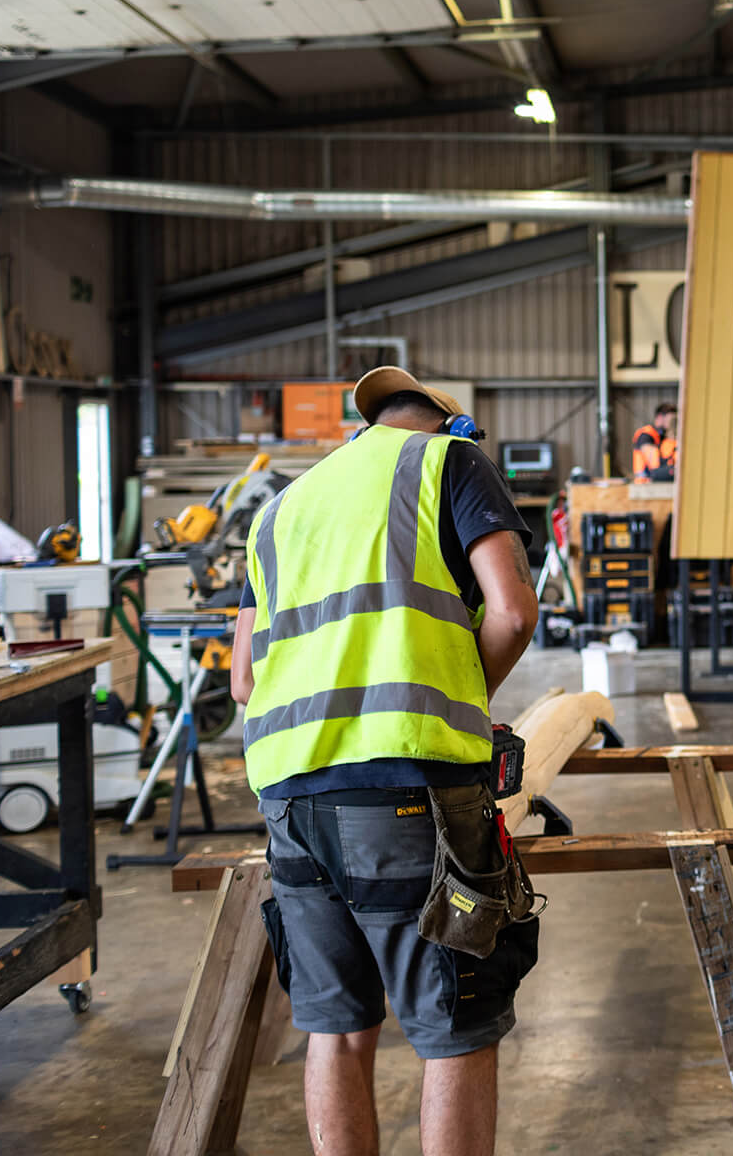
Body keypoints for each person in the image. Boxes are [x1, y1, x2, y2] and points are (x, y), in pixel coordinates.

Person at [229, 367, 540, 1156]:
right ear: (449, 424)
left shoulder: (281, 508)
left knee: (336, 1027)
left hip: (290, 800)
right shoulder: (449, 463)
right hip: (406, 790)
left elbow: (244, 681)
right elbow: (512, 612)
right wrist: (460, 699)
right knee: (454, 1026)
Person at [632, 402, 677, 483]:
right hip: (644, 483)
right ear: (660, 417)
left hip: (655, 481)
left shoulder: (662, 436)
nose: (672, 423)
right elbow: (654, 463)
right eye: (671, 420)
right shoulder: (646, 434)